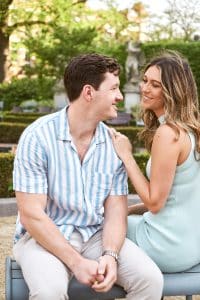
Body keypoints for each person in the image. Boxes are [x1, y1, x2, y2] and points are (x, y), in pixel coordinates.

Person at [13, 53, 163, 300]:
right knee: (49, 292)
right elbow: (32, 216)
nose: (120, 96)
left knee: (150, 280)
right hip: (43, 237)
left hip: (95, 234)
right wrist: (77, 262)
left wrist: (110, 255)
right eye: (114, 88)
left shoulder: (114, 144)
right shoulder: (37, 137)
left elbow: (116, 210)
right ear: (89, 93)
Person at [110, 50, 200, 273]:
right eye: (144, 80)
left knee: (98, 230)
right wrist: (130, 210)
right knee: (117, 219)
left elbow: (155, 203)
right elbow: (177, 198)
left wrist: (126, 155)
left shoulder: (168, 134)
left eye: (155, 85)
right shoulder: (191, 131)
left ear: (173, 91)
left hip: (166, 246)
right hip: (191, 245)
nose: (145, 88)